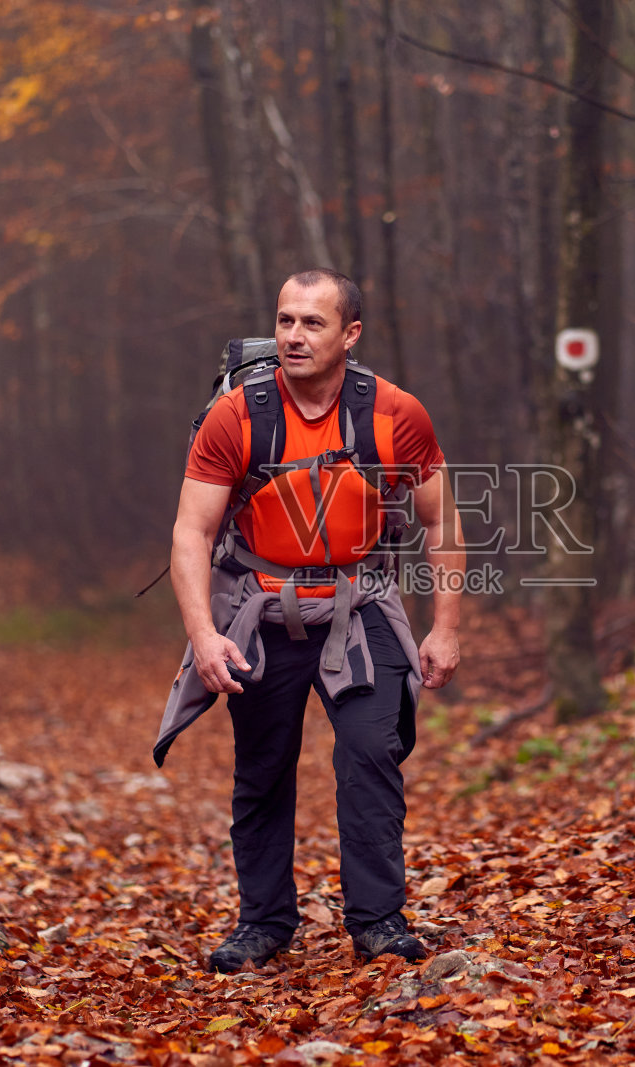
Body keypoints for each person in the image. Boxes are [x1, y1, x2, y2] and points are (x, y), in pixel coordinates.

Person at [156, 268, 462, 973]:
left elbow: (442, 521)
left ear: (350, 334)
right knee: (262, 770)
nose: (294, 335)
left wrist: (445, 628)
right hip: (262, 609)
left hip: (362, 607)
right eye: (286, 320)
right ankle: (263, 922)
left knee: (370, 752)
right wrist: (204, 635)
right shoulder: (238, 415)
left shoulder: (394, 413)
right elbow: (191, 533)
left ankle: (379, 919)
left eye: (313, 323)